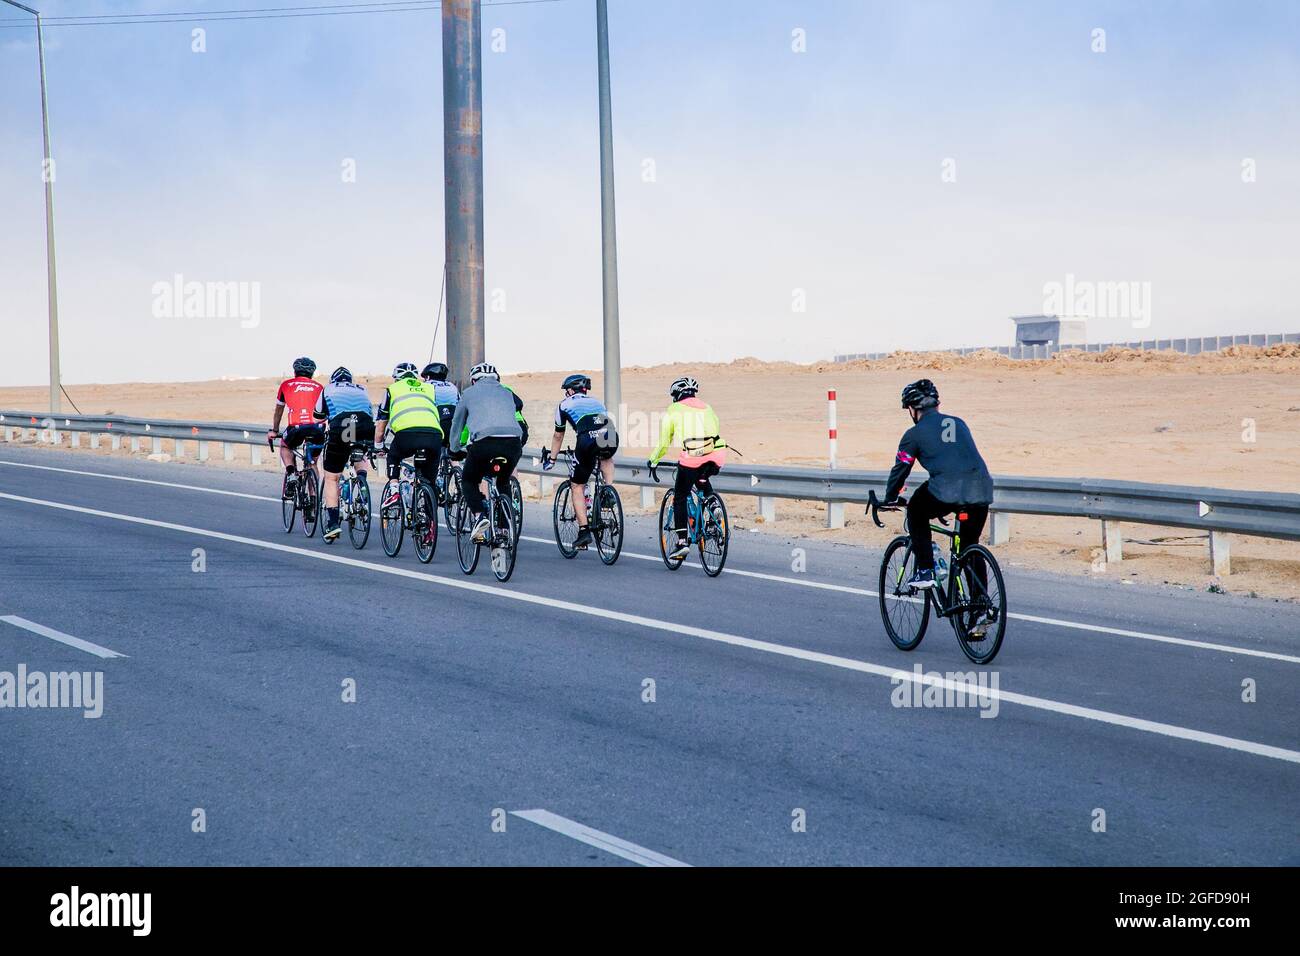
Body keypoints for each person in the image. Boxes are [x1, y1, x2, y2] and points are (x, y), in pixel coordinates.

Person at [882, 378, 994, 600]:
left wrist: (890, 497)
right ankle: (980, 608)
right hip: (980, 488)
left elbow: (901, 468)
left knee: (915, 509)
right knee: (969, 547)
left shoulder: (913, 434)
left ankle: (926, 570)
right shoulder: (958, 423)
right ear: (936, 405)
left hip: (945, 490)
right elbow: (956, 459)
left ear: (913, 409)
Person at [648, 376, 727, 561]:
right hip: (717, 454)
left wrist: (654, 460)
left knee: (680, 496)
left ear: (677, 395)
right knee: (702, 479)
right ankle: (713, 505)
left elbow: (664, 441)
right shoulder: (708, 407)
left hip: (693, 456)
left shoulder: (673, 409)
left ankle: (682, 542)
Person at [449, 363, 525, 542]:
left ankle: (480, 516)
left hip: (484, 443)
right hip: (514, 443)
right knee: (503, 482)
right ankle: (505, 528)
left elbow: (457, 423)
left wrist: (454, 450)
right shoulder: (507, 392)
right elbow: (518, 407)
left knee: (469, 481)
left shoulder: (468, 394)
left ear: (474, 380)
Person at [542, 373, 618, 550]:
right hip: (610, 435)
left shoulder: (563, 405)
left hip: (587, 440)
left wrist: (552, 459)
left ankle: (584, 532)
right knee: (606, 455)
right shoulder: (597, 402)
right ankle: (609, 491)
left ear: (570, 390)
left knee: (577, 485)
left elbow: (558, 434)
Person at [314, 367, 375, 542]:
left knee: (332, 478)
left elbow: (317, 415)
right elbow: (370, 410)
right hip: (365, 425)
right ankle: (361, 483)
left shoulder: (328, 389)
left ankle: (333, 524)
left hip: (342, 426)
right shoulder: (361, 388)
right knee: (359, 452)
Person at [374, 362, 443, 511]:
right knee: (429, 478)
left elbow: (381, 423)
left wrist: (378, 445)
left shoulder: (392, 390)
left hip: (407, 435)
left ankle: (394, 491)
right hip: (434, 435)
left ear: (397, 378)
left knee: (393, 456)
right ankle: (429, 514)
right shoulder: (429, 388)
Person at [267, 357, 324, 499]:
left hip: (296, 427)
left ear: (294, 371)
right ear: (312, 373)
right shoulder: (319, 387)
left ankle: (291, 473)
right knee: (313, 463)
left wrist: (274, 430)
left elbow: (278, 410)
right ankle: (313, 497)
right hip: (317, 428)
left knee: (285, 446)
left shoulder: (286, 385)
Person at [421, 362, 461, 440]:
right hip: (453, 425)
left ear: (429, 375)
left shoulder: (426, 385)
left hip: (435, 425)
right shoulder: (452, 386)